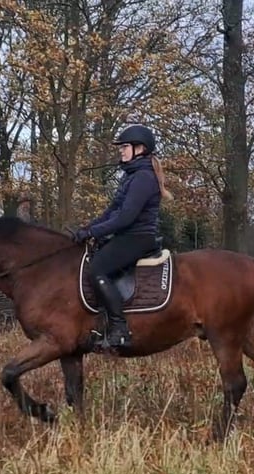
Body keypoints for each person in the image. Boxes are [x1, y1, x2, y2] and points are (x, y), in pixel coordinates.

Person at [73, 124, 173, 348]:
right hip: (128, 235)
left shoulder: (143, 178)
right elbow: (110, 213)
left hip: (138, 237)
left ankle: (119, 328)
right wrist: (87, 228)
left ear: (140, 149)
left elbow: (125, 218)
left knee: (97, 268)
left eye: (125, 147)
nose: (121, 151)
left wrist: (93, 232)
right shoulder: (131, 176)